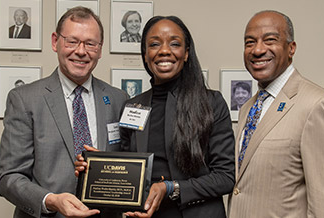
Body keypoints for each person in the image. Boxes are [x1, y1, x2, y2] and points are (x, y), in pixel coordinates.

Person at [77, 15, 235, 218]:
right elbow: (128, 170)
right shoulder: (133, 106)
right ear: (145, 54)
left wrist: (170, 188)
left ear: (186, 53)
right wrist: (95, 167)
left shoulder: (211, 103)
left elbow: (225, 177)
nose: (164, 51)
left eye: (175, 44)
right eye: (154, 44)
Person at [0, 6, 127, 218]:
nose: (81, 51)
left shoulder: (117, 99)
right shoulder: (24, 99)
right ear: (55, 41)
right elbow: (9, 178)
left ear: (100, 49)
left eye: (90, 44)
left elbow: (128, 166)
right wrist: (52, 200)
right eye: (72, 41)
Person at [227, 10, 324, 217]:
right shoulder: (248, 108)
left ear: (291, 48)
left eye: (270, 40)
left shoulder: (318, 106)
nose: (258, 50)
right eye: (250, 42)